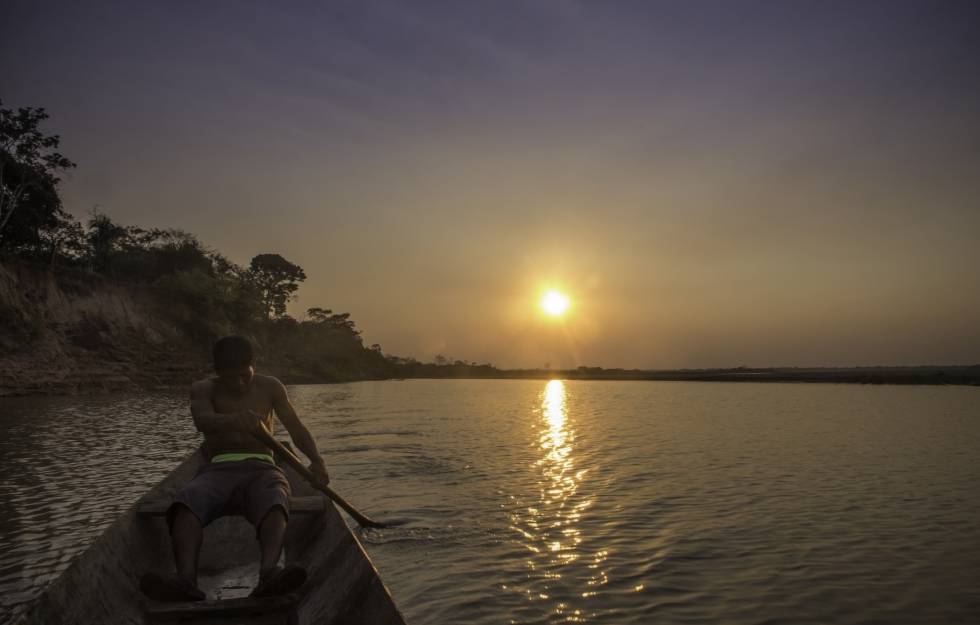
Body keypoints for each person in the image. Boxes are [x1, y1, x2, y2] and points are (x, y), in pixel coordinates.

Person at [140, 335, 330, 601]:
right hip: (218, 469)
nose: (239, 384)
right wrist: (235, 420)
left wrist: (317, 462)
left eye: (245, 375)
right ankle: (185, 582)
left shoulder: (271, 387)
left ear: (253, 365)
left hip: (263, 468)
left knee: (277, 499)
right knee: (185, 503)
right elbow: (203, 420)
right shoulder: (203, 388)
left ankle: (268, 574)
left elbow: (296, 429)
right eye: (231, 378)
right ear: (218, 373)